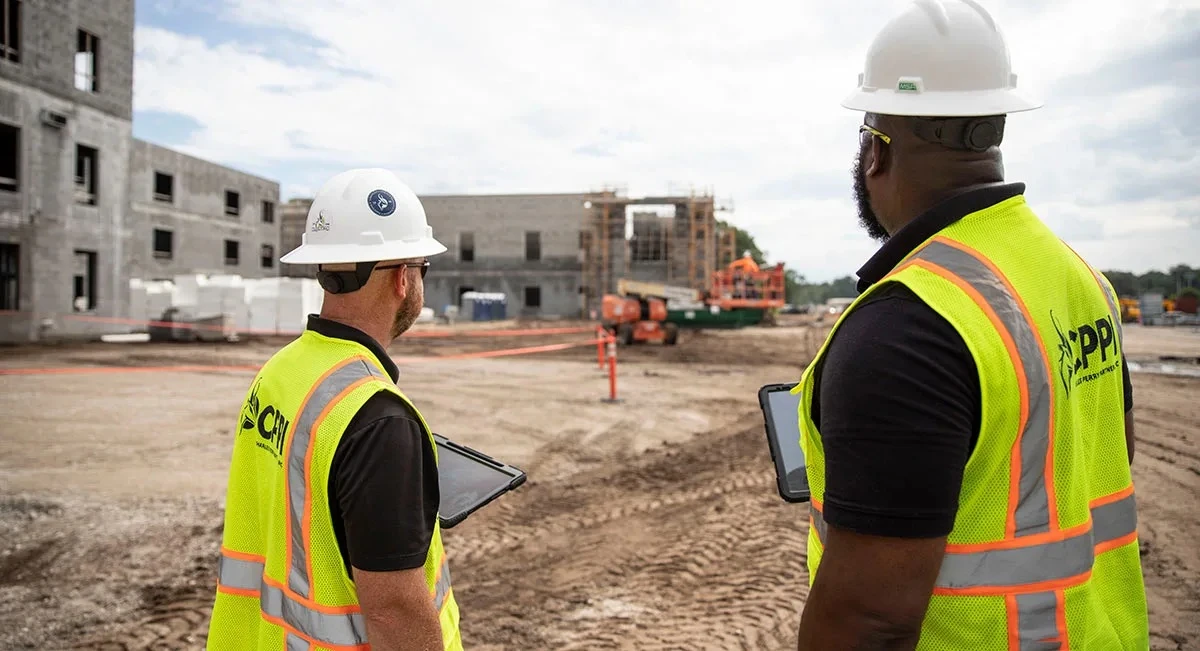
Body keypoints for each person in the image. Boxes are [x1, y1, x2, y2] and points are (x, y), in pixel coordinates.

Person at [790, 1, 1150, 649]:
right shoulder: (1080, 277)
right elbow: (1106, 452)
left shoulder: (907, 328)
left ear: (875, 150)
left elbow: (870, 618)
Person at [206, 168, 463, 650]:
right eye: (422, 267)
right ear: (404, 279)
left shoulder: (283, 370)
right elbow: (393, 611)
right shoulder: (380, 420)